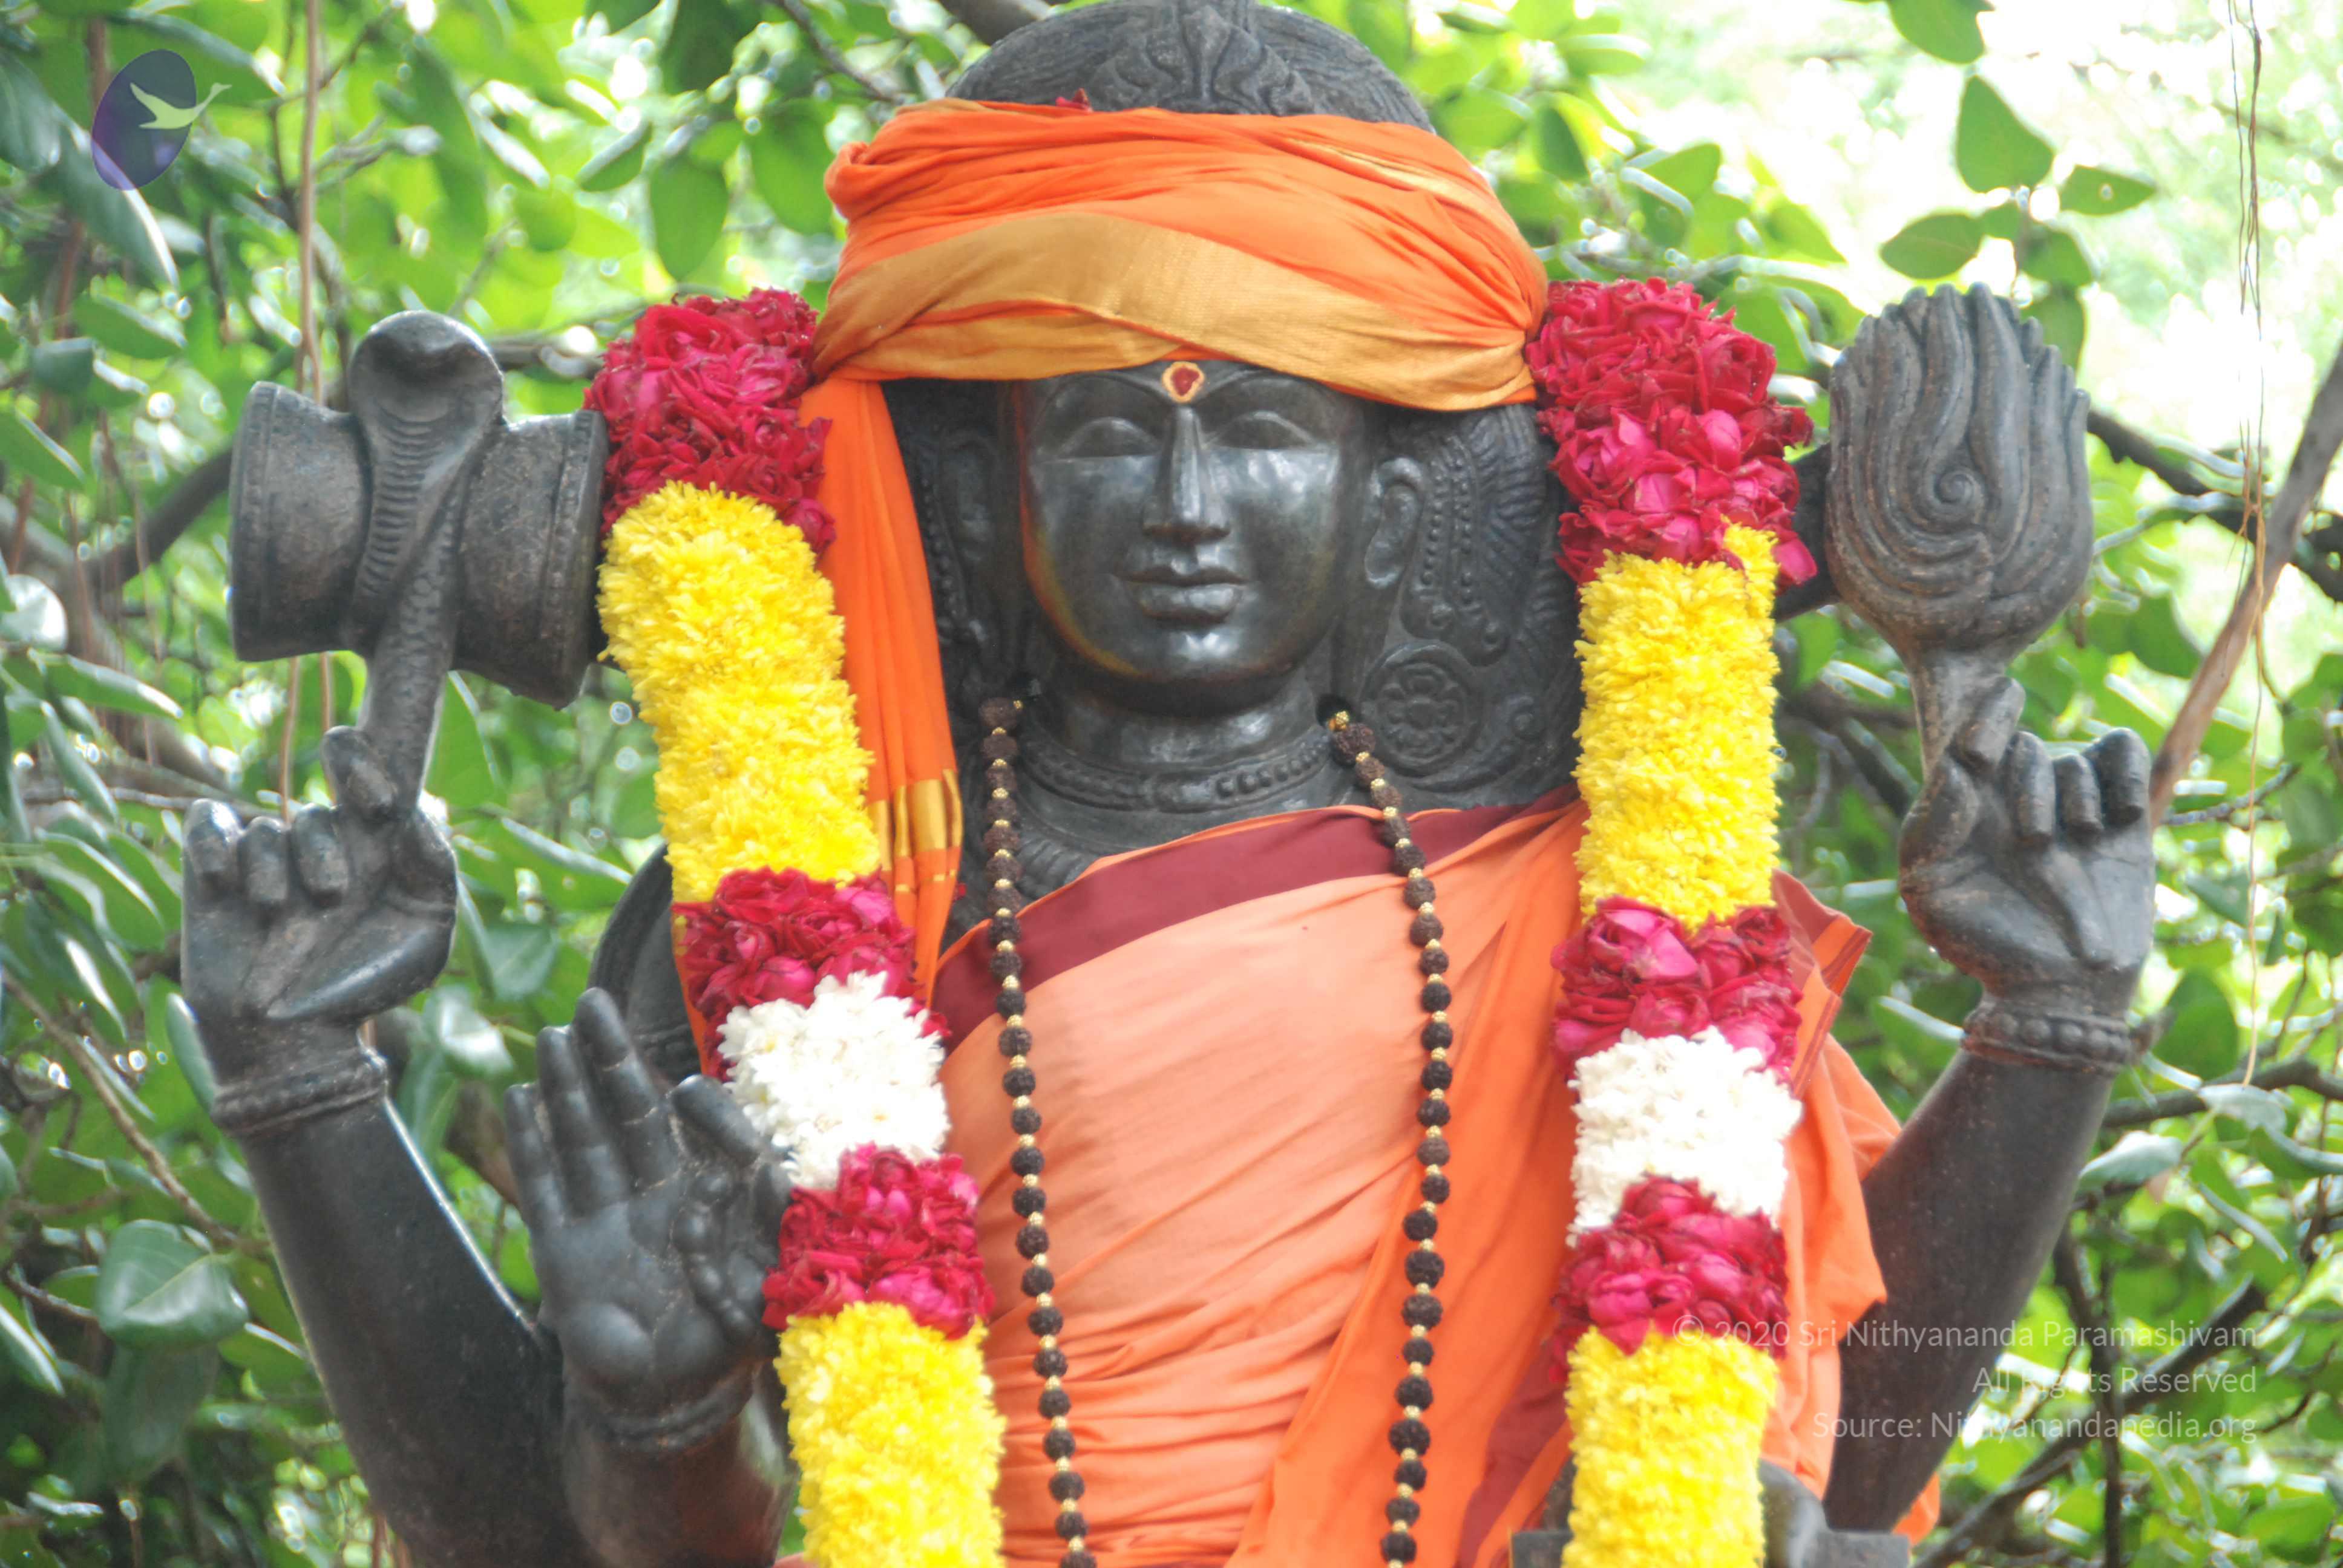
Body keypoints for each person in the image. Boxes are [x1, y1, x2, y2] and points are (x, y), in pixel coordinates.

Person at [180, 2, 2154, 1564]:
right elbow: (534, 1539)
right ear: (991, 490)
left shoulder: (1597, 907)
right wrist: (337, 1120)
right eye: (1113, 436)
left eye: (1265, 430)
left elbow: (1850, 1456)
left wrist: (2048, 1030)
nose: (1189, 506)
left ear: (1393, 503)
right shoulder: (797, 902)